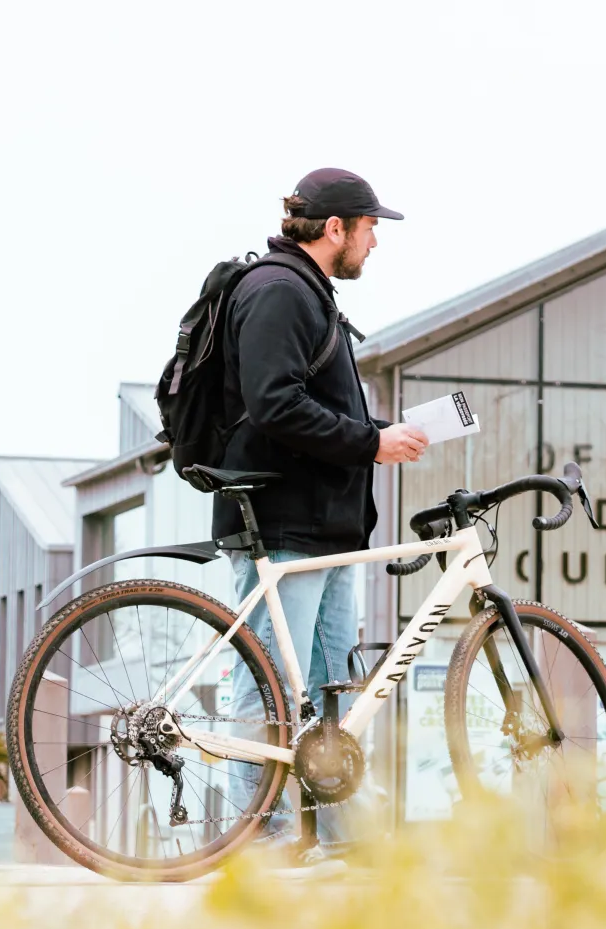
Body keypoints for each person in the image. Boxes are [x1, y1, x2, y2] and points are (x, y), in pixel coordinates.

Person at [214, 167, 429, 857]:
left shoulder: (307, 293)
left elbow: (314, 408)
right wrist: (371, 440)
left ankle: (340, 832)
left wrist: (387, 431)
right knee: (271, 685)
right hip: (286, 526)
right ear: (335, 228)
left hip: (327, 528)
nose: (375, 244)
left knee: (333, 694)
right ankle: (259, 830)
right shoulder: (278, 291)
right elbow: (274, 403)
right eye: (370, 229)